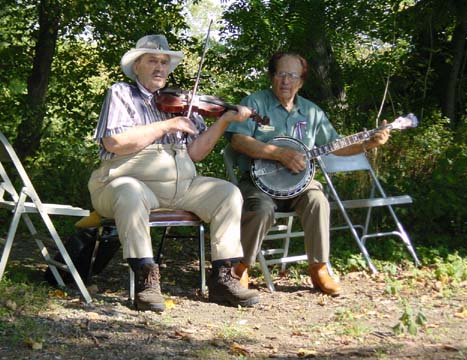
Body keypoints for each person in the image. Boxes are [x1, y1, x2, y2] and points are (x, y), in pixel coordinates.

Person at [88, 34, 260, 312]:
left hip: (182, 185)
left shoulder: (183, 103)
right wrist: (168, 125)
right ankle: (146, 280)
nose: (160, 68)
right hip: (123, 183)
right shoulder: (121, 93)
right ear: (136, 66)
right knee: (130, 191)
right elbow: (114, 143)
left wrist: (225, 121)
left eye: (164, 62)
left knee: (228, 193)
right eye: (152, 61)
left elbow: (195, 153)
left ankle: (223, 279)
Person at [225, 52, 391, 296]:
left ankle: (319, 268)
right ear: (272, 77)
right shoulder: (255, 103)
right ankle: (240, 267)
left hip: (299, 184)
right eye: (281, 74)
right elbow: (238, 140)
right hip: (257, 183)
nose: (285, 81)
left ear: (301, 82)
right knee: (260, 209)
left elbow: (335, 145)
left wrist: (368, 143)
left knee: (318, 200)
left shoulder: (312, 112)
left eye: (292, 76)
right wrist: (278, 154)